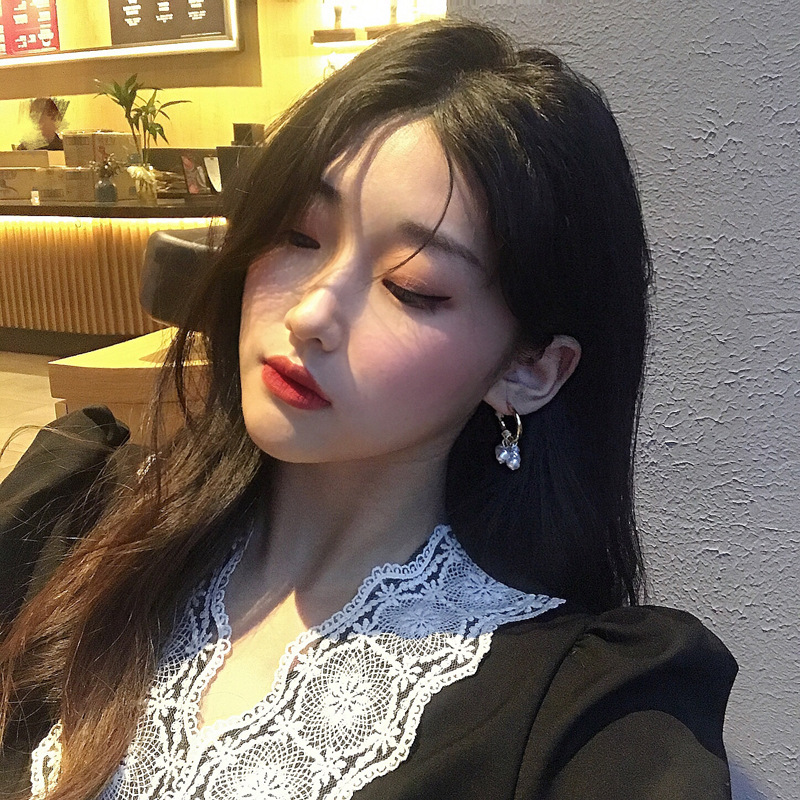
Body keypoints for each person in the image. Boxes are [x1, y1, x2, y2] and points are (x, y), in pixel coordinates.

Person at [0, 19, 736, 800]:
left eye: (412, 287)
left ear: (528, 371)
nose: (312, 312)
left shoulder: (579, 714)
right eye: (297, 235)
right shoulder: (75, 519)